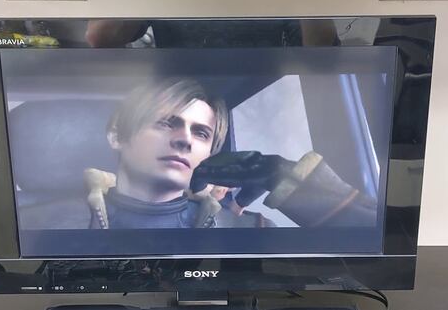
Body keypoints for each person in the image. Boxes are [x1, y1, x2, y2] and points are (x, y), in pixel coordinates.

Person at [84, 77, 377, 229]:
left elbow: (370, 260)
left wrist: (288, 178)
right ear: (117, 135)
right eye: (165, 123)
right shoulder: (61, 222)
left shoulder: (254, 228)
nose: (184, 140)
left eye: (201, 133)